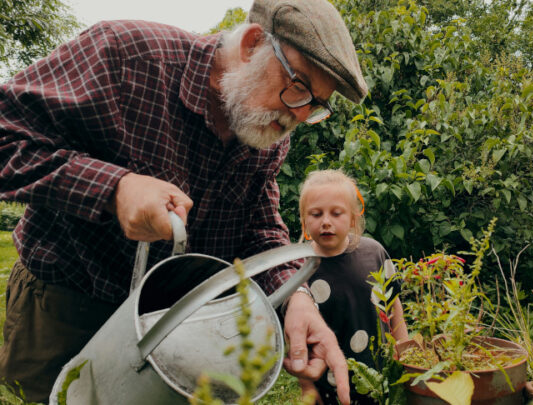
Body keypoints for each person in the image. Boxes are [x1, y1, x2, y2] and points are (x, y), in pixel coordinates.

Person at [0, 0, 369, 402]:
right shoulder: (127, 56)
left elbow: (258, 227)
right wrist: (114, 188)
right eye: (299, 86)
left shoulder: (268, 126)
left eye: (316, 105)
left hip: (172, 326)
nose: (299, 114)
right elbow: (8, 136)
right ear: (251, 44)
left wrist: (294, 298)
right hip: (65, 308)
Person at [296, 169, 409, 404]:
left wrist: (404, 351)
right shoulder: (299, 268)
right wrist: (306, 386)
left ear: (353, 218)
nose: (326, 221)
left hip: (380, 375)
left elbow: (393, 305)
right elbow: (297, 336)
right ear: (304, 220)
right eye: (316, 214)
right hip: (328, 384)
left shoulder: (374, 253)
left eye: (336, 213)